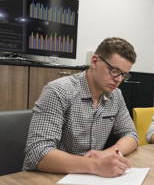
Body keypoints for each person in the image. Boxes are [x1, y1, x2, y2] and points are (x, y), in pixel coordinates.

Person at [23, 37, 138, 177]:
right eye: (114, 70)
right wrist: (96, 165)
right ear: (94, 61)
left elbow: (131, 135)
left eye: (123, 75)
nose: (119, 79)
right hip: (48, 178)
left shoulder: (116, 96)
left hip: (88, 177)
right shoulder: (59, 91)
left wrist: (106, 154)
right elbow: (37, 152)